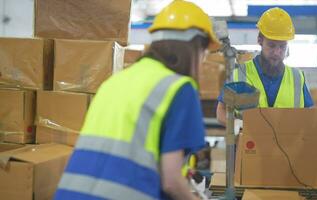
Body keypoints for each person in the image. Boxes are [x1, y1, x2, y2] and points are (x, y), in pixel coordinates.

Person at [54, 1, 220, 200]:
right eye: (205, 53)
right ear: (195, 48)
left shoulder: (115, 81)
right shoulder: (179, 88)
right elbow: (171, 181)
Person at [216, 7, 314, 125]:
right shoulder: (239, 74)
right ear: (260, 40)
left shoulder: (298, 78)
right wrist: (236, 123)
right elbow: (221, 110)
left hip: (288, 143)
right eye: (271, 45)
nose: (277, 52)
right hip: (250, 142)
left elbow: (309, 115)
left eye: (282, 46)